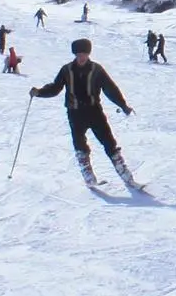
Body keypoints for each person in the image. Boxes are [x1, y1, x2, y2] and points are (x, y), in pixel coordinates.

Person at [30, 38, 140, 190]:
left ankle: (125, 174)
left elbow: (110, 89)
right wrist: (39, 92)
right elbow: (56, 88)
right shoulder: (66, 70)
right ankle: (88, 175)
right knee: (80, 144)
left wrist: (123, 105)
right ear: (75, 54)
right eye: (78, 54)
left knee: (109, 142)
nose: (81, 57)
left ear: (89, 54)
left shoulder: (97, 70)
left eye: (84, 54)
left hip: (94, 111)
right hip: (75, 113)